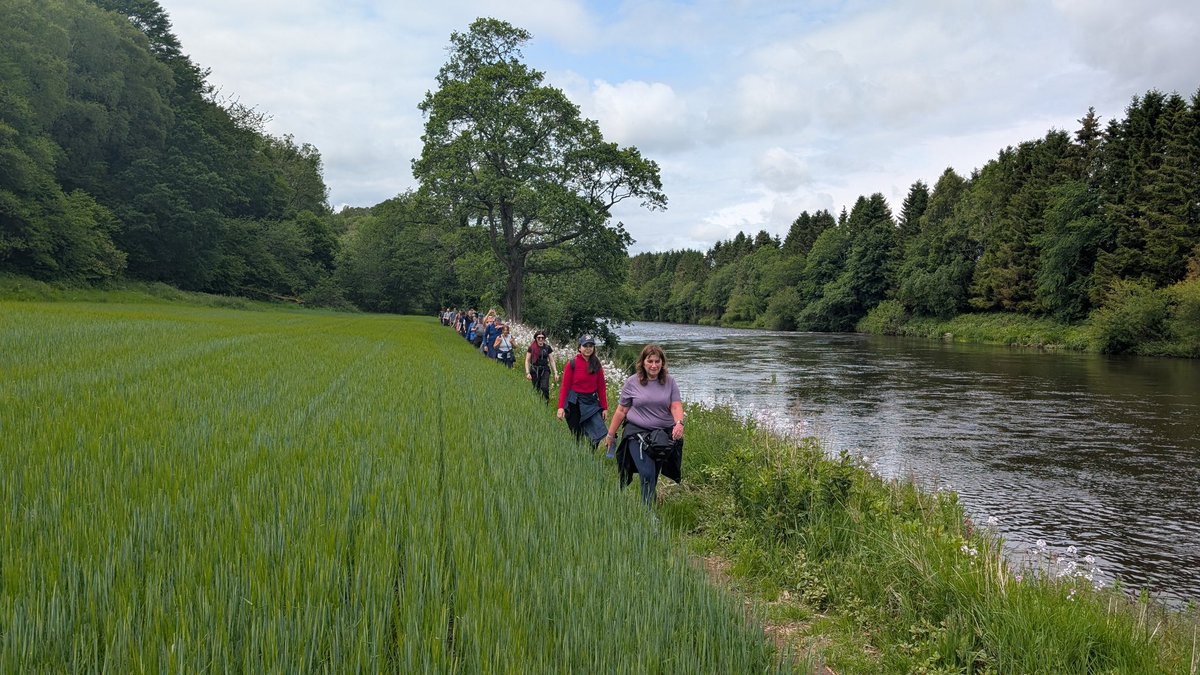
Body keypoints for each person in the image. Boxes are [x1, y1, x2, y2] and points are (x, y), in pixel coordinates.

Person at [604, 344, 684, 507]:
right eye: (650, 361)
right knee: (646, 473)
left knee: (653, 475)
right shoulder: (632, 382)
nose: (654, 365)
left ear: (662, 363)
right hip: (637, 434)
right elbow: (621, 410)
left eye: (657, 361)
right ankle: (648, 515)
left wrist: (679, 423)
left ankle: (648, 506)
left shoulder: (670, 382)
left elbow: (675, 406)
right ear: (643, 362)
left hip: (662, 436)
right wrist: (610, 435)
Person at [557, 335, 608, 446]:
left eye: (591, 346)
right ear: (579, 348)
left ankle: (591, 458)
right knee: (577, 436)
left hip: (591, 403)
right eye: (585, 345)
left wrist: (604, 408)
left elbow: (601, 388)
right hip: (574, 403)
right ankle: (578, 457)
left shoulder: (597, 365)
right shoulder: (572, 364)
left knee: (595, 435)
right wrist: (561, 407)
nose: (588, 348)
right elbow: (565, 387)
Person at [525, 330, 557, 401]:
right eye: (538, 337)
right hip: (534, 369)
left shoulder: (547, 348)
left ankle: (546, 403)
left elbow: (551, 360)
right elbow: (527, 360)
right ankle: (539, 403)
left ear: (544, 338)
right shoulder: (531, 348)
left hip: (545, 370)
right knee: (537, 388)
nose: (540, 339)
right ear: (536, 338)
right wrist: (527, 372)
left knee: (544, 387)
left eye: (542, 337)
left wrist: (555, 372)